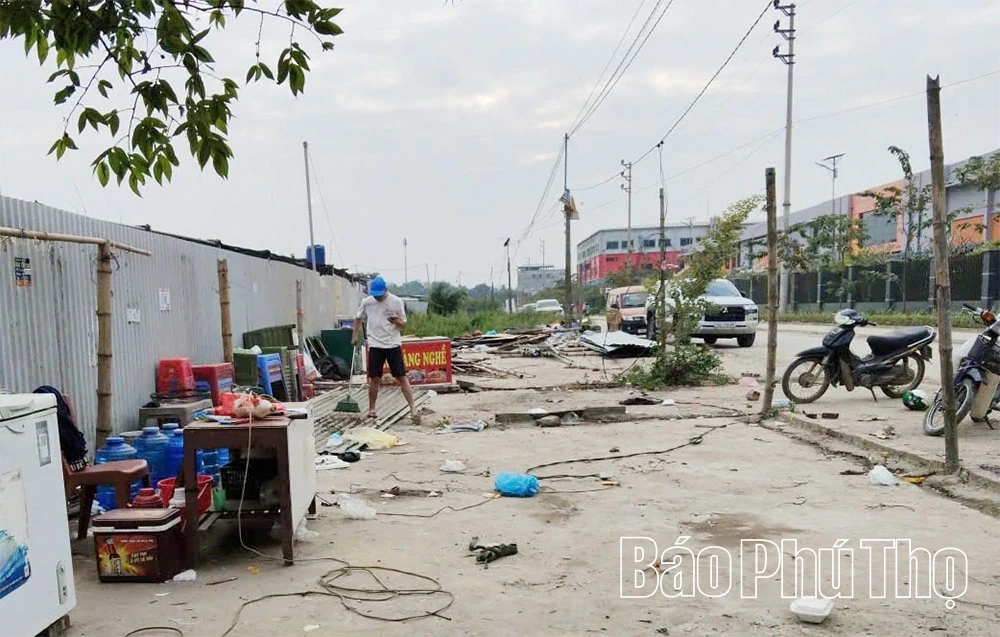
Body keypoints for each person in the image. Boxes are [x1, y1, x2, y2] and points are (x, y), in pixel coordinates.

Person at [351, 276, 420, 423]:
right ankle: (372, 409)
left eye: (379, 294)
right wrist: (355, 335)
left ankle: (413, 408)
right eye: (375, 294)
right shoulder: (367, 302)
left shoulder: (396, 301)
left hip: (393, 344)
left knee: (401, 376)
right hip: (375, 345)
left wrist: (396, 321)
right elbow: (358, 318)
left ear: (385, 290)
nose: (377, 297)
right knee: (374, 378)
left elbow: (403, 324)